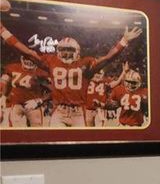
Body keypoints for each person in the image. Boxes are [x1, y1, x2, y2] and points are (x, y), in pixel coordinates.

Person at [0, 12, 142, 127]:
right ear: (58, 51)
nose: (66, 54)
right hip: (58, 111)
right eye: (63, 50)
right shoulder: (51, 61)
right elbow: (27, 52)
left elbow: (107, 58)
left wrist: (124, 41)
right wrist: (3, 30)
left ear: (78, 52)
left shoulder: (86, 64)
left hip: (79, 112)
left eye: (69, 50)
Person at [0, 55, 50, 127]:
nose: (29, 61)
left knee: (36, 131)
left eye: (32, 59)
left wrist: (39, 100)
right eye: (27, 58)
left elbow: (52, 91)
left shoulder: (41, 73)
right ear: (22, 58)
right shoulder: (13, 68)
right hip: (16, 104)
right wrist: (4, 96)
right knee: (15, 130)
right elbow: (8, 82)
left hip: (33, 106)